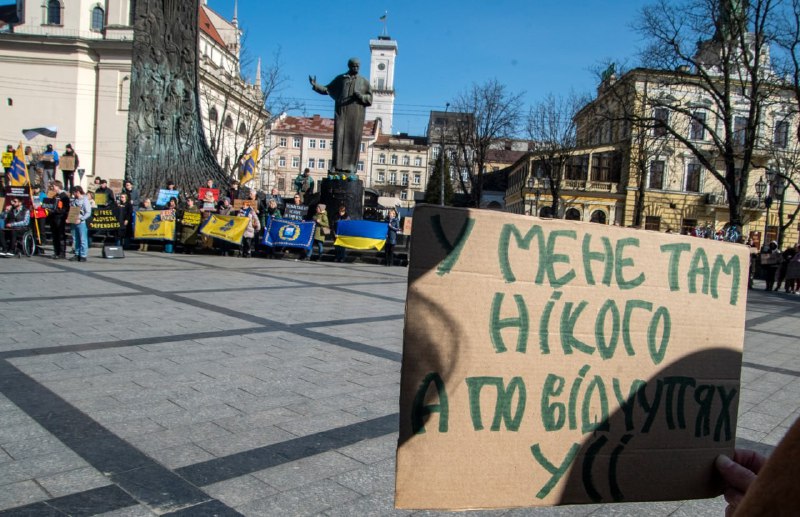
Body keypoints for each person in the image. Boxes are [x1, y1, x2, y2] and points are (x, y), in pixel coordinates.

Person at [309, 57, 372, 177]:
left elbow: (370, 99)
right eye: (353, 66)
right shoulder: (341, 79)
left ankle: (351, 168)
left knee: (353, 139)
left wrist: (361, 97)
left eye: (358, 66)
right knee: (339, 138)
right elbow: (327, 89)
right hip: (341, 113)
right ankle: (337, 166)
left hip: (356, 115)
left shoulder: (364, 81)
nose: (356, 68)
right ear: (349, 66)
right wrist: (315, 85)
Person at [47, 180, 71, 259]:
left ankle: (61, 253)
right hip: (54, 218)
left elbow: (66, 209)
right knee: (55, 236)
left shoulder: (64, 196)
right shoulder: (55, 196)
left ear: (58, 186)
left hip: (60, 218)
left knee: (60, 235)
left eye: (53, 186)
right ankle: (56, 252)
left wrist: (56, 211)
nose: (52, 188)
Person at [69, 186, 91, 262]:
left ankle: (83, 255)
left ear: (78, 192)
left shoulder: (85, 200)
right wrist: (70, 218)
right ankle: (77, 254)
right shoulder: (75, 200)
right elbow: (73, 210)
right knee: (76, 239)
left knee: (83, 239)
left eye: (74, 193)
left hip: (82, 223)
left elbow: (88, 212)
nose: (73, 194)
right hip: (74, 222)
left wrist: (81, 219)